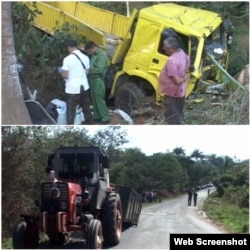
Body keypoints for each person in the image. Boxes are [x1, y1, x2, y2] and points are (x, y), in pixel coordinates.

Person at [60, 39, 93, 124]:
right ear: (77, 46)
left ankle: (69, 127)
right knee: (86, 108)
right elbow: (87, 72)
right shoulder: (86, 57)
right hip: (84, 87)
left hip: (73, 89)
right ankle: (89, 123)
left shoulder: (67, 59)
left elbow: (65, 75)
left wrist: (61, 72)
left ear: (69, 47)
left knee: (71, 111)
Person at [159, 36, 190, 124]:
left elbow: (177, 81)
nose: (163, 48)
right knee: (177, 114)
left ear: (170, 49)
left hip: (172, 93)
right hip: (181, 92)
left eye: (165, 47)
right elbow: (188, 60)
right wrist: (185, 72)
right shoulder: (181, 52)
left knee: (172, 118)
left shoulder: (172, 61)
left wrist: (184, 78)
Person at [85, 41, 110, 124]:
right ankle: (97, 116)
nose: (89, 53)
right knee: (94, 100)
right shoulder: (94, 55)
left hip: (98, 80)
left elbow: (99, 69)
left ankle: (105, 117)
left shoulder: (102, 56)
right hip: (92, 80)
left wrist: (89, 71)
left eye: (89, 51)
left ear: (93, 48)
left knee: (99, 99)